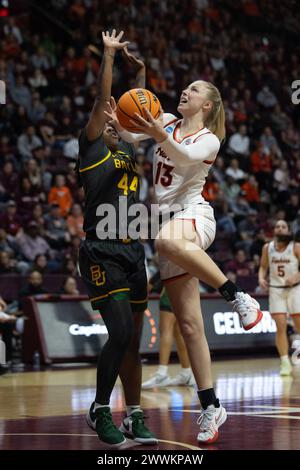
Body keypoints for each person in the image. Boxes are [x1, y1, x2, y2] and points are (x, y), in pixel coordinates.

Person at [107, 78, 263, 444]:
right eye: (186, 88)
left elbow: (183, 156)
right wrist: (121, 123)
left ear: (207, 105)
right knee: (190, 325)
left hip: (194, 215)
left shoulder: (209, 139)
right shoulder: (169, 121)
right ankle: (211, 407)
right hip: (169, 225)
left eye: (194, 91)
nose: (185, 92)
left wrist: (159, 132)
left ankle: (238, 296)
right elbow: (134, 138)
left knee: (165, 240)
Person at [77, 30, 156, 447]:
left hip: (132, 249)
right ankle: (100, 408)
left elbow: (138, 109)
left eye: (116, 118)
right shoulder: (92, 150)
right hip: (100, 249)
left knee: (133, 342)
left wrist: (140, 72)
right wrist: (109, 57)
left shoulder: (126, 150)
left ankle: (135, 414)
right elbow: (103, 101)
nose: (113, 118)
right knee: (121, 332)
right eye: (107, 118)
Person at [259, 220, 300, 376]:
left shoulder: (296, 247)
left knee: (298, 325)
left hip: (295, 289)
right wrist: (261, 278)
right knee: (280, 326)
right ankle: (284, 361)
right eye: (278, 226)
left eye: (284, 226)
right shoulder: (267, 248)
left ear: (288, 230)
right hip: (276, 290)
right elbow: (263, 267)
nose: (280, 229)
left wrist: (296, 276)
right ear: (274, 230)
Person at [142, 274, 195, 389]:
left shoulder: (172, 257)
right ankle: (186, 373)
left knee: (166, 330)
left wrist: (148, 287)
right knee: (178, 333)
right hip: (186, 290)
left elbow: (161, 271)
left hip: (171, 290)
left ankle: (162, 374)